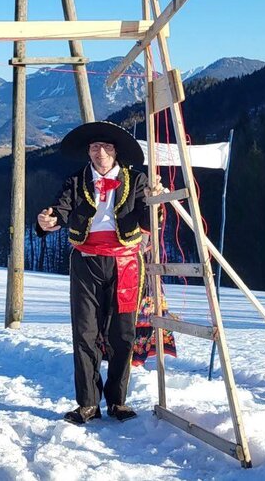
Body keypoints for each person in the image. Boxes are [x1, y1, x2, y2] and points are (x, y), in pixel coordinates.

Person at [35, 121, 157, 425]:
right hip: (86, 262)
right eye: (94, 147)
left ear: (115, 152)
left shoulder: (137, 180)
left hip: (126, 263)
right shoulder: (76, 181)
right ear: (88, 152)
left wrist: (157, 201)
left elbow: (149, 216)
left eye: (105, 147)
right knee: (85, 333)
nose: (99, 152)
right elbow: (60, 209)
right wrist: (47, 220)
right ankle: (88, 403)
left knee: (122, 333)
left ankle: (117, 401)